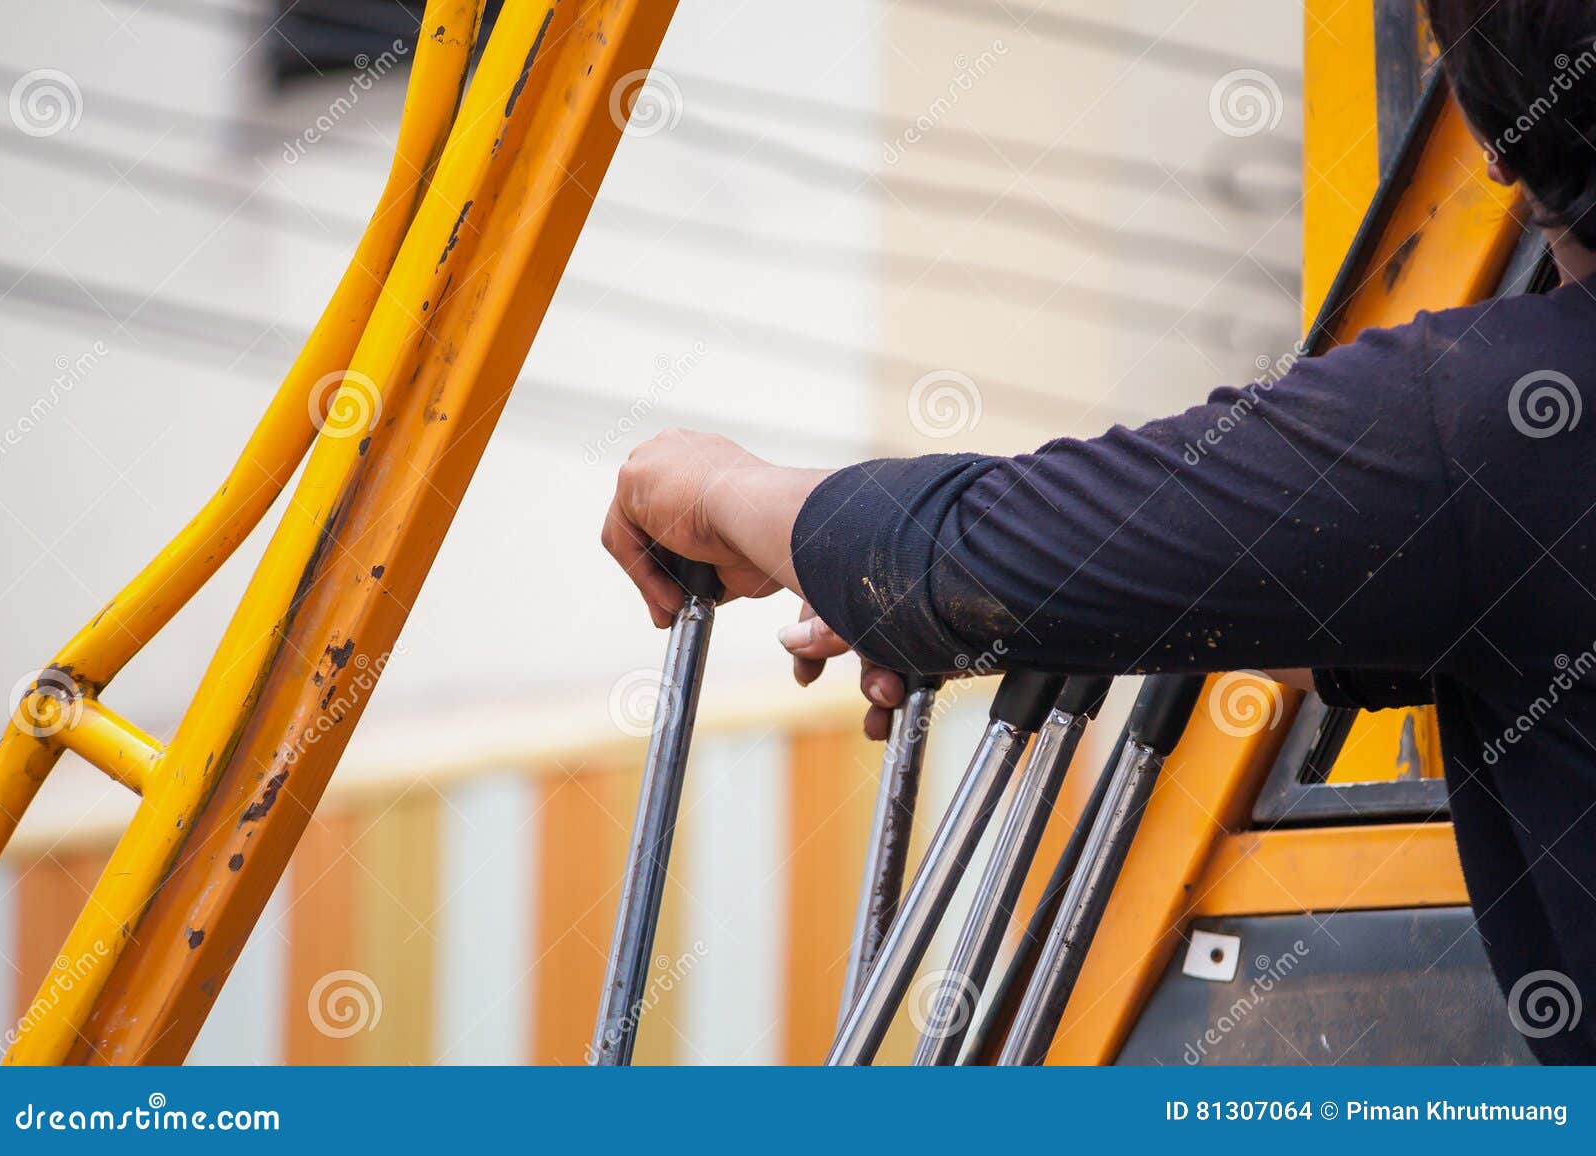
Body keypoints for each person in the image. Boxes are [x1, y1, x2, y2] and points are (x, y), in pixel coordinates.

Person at [601, 0, 1596, 1064]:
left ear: (1488, 138)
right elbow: (1391, 604)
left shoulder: (1490, 420)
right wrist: (1054, 601)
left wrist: (719, 489)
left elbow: (958, 559)